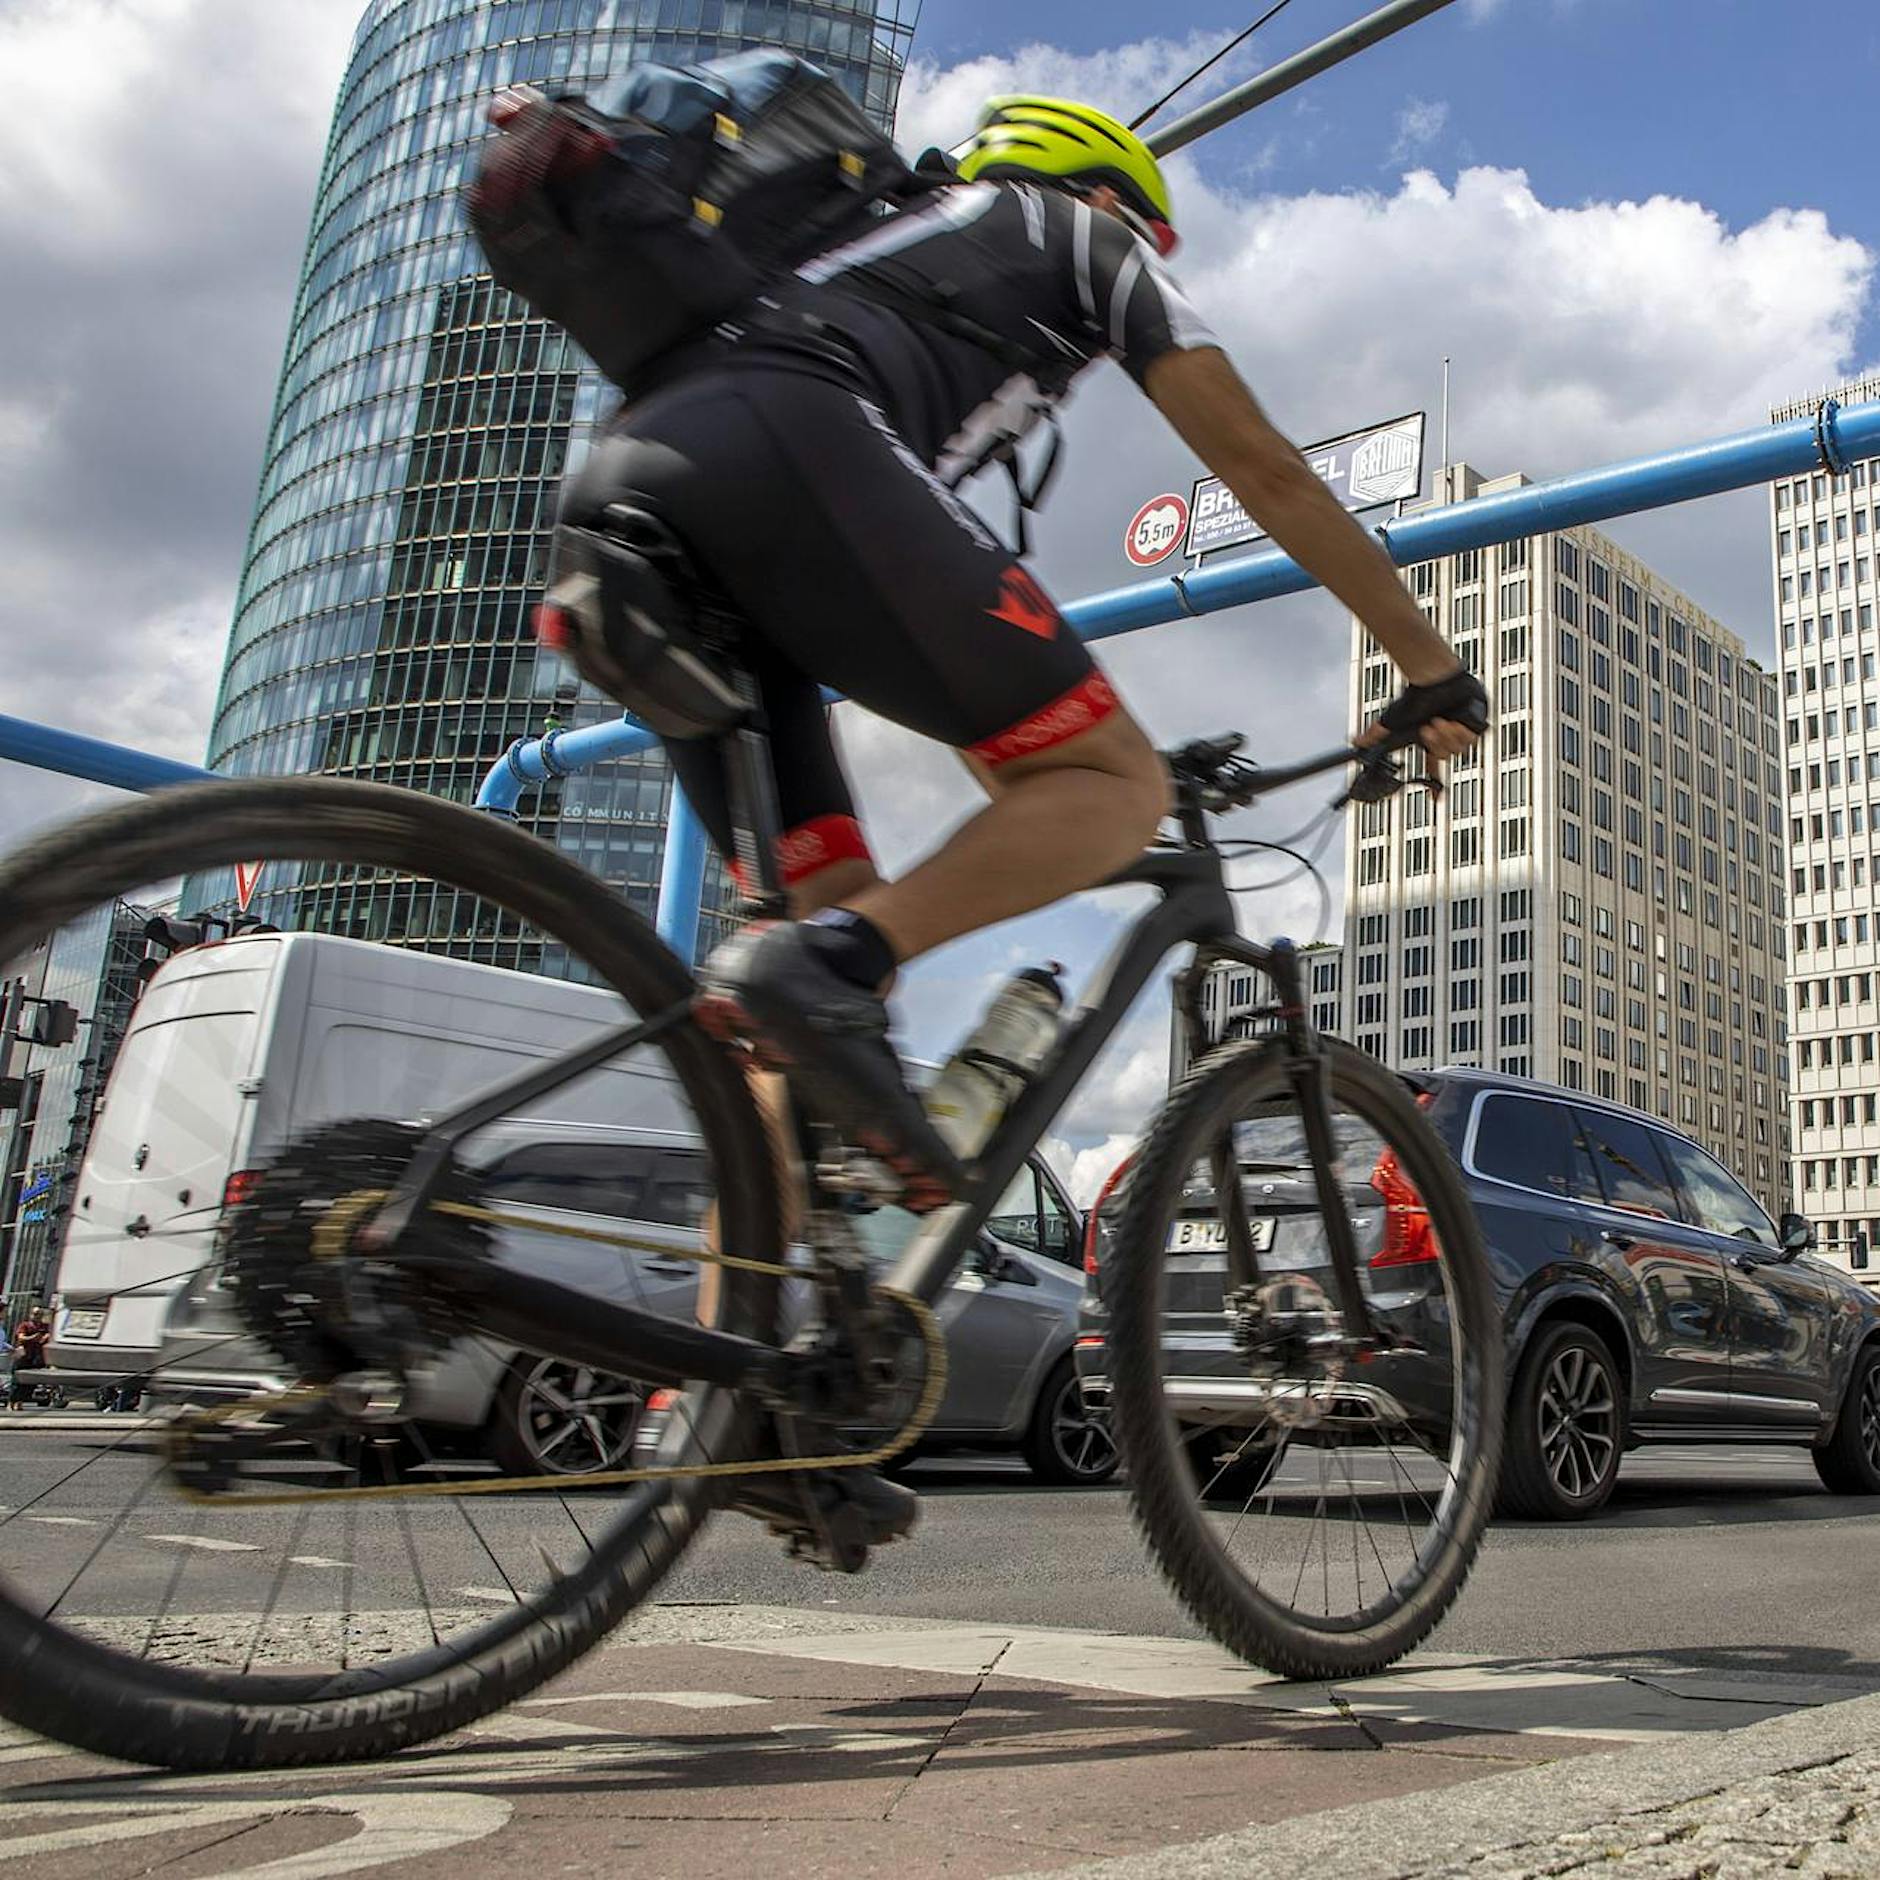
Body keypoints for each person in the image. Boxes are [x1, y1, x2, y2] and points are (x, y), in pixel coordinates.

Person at [545, 94, 1487, 1204]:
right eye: (1154, 233)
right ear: (1102, 192)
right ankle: (833, 964)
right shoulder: (1078, 236)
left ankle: (747, 1304)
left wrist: (1045, 775)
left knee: (816, 958)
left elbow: (943, 672)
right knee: (1106, 792)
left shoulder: (855, 257)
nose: (1152, 253)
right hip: (788, 446)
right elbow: (1265, 470)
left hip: (625, 505)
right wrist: (1430, 670)